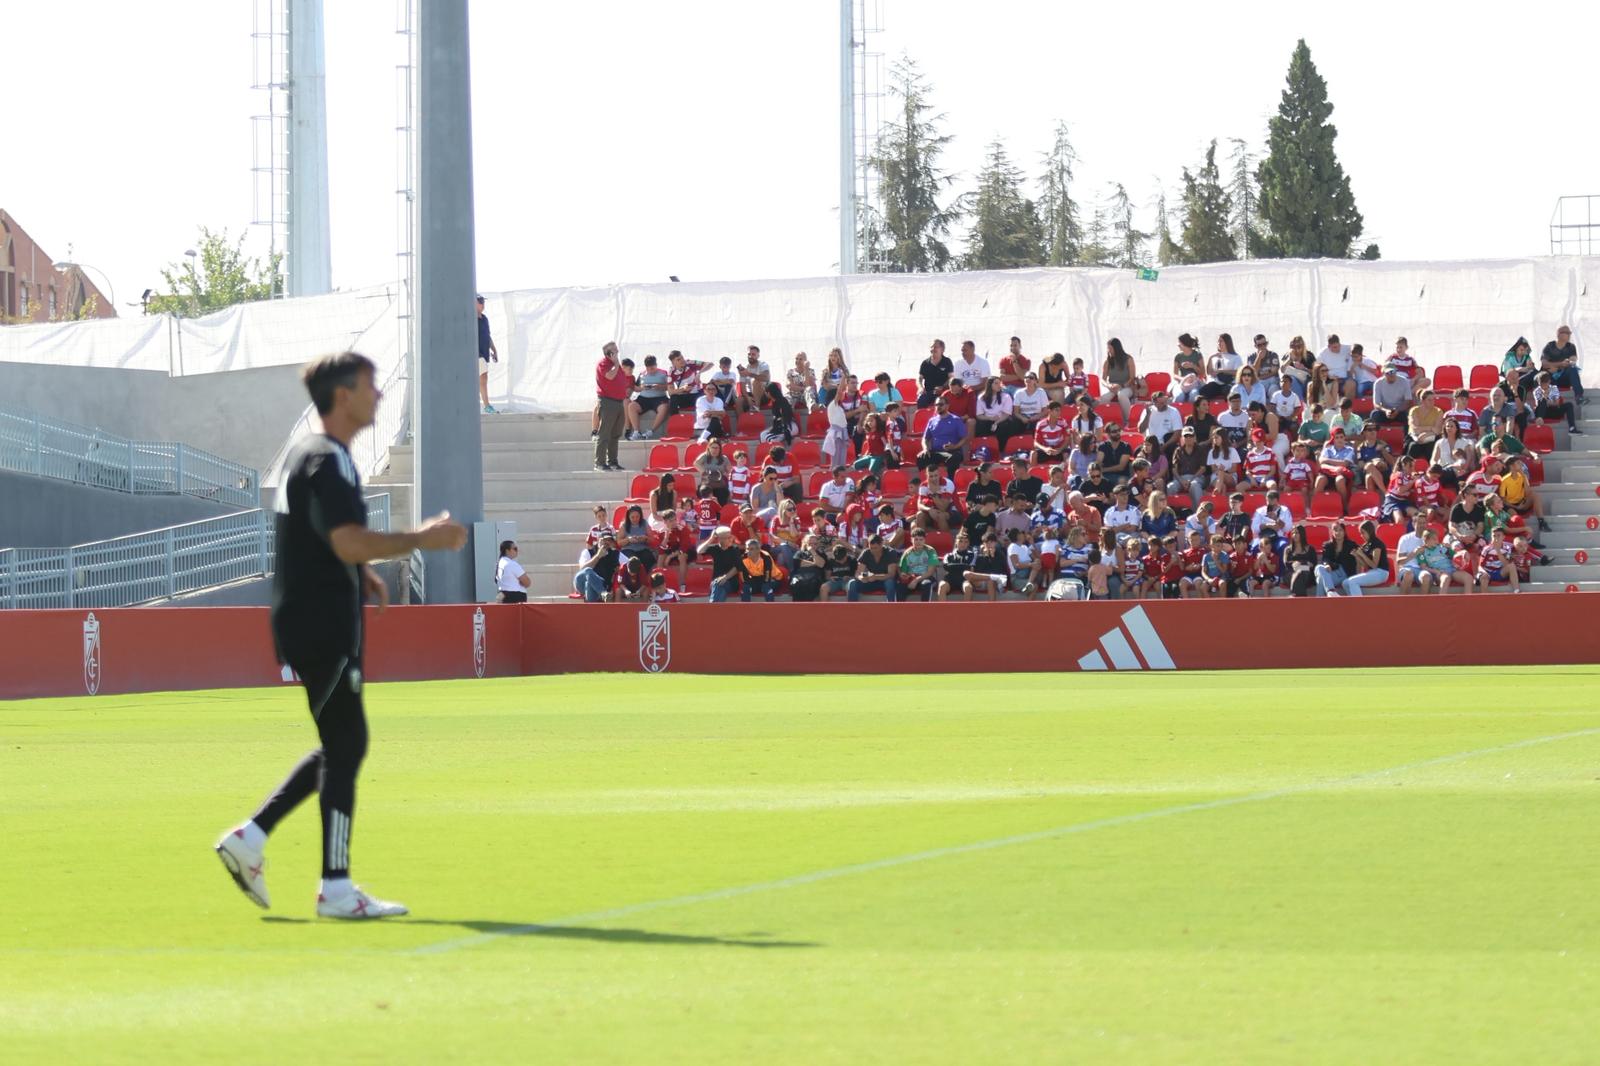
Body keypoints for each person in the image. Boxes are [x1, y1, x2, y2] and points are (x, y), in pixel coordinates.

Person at [215, 351, 468, 919]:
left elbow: (326, 541)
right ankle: (334, 886)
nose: (378, 394)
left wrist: (362, 573)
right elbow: (346, 540)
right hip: (320, 623)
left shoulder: (315, 455)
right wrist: (420, 539)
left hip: (313, 618)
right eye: (369, 385)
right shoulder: (326, 459)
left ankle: (251, 838)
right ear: (342, 395)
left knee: (340, 743)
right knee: (348, 744)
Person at [593, 341, 628, 472]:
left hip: (619, 402)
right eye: (614, 350)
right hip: (608, 401)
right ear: (609, 353)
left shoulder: (615, 365)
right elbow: (610, 376)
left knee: (616, 434)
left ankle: (612, 461)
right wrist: (617, 363)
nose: (617, 352)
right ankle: (599, 462)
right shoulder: (604, 364)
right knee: (604, 433)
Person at [697, 526, 746, 603]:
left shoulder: (735, 549)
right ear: (720, 539)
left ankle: (712, 607)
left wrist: (725, 578)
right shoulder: (715, 548)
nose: (731, 539)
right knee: (719, 587)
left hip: (731, 582)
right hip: (717, 582)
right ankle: (716, 608)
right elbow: (699, 551)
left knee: (718, 584)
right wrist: (711, 539)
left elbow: (737, 567)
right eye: (728, 537)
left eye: (731, 536)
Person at [1541, 325, 1585, 406]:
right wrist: (1560, 364)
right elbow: (1544, 364)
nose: (1569, 335)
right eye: (1567, 333)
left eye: (1569, 333)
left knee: (1572, 368)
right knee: (1545, 374)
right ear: (1559, 334)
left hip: (1564, 378)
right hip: (1551, 380)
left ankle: (1579, 396)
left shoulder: (1571, 346)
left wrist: (1567, 362)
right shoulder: (1550, 346)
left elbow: (1573, 359)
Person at [847, 535, 899, 601]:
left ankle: (891, 608)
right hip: (871, 581)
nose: (873, 551)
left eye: (875, 548)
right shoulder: (866, 552)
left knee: (890, 583)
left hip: (885, 581)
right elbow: (858, 573)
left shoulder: (890, 552)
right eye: (871, 548)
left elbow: (891, 574)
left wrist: (875, 577)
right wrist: (861, 577)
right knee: (852, 583)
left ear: (881, 545)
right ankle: (852, 609)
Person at [898, 528, 943, 601]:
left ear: (924, 540)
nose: (918, 542)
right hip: (911, 577)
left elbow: (930, 572)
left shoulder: (931, 551)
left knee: (926, 584)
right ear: (911, 540)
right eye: (916, 539)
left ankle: (925, 609)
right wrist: (903, 575)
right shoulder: (907, 553)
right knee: (900, 586)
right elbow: (903, 571)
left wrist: (916, 580)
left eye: (921, 539)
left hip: (926, 577)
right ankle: (900, 611)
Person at [1101, 338, 1138, 421]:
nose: (1108, 350)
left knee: (1122, 395)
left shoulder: (1129, 359)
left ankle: (1128, 420)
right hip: (1112, 388)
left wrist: (1121, 386)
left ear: (1116, 348)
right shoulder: (1108, 361)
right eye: (1108, 348)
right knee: (1103, 398)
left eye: (1110, 348)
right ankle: (1108, 420)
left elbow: (1132, 378)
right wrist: (1109, 385)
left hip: (1126, 386)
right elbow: (1102, 379)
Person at [476, 295, 498, 414]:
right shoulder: (471, 318)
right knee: (483, 377)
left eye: (483, 302)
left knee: (482, 378)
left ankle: (485, 405)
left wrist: (494, 350)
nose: (482, 304)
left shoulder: (484, 319)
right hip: (475, 354)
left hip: (484, 353)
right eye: (480, 302)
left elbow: (487, 336)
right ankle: (487, 406)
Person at [917, 339, 955, 407]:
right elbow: (919, 378)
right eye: (931, 347)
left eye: (936, 347)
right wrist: (920, 387)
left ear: (942, 349)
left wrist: (943, 387)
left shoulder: (947, 362)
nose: (933, 349)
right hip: (928, 392)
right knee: (921, 399)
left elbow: (951, 378)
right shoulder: (925, 363)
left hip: (943, 392)